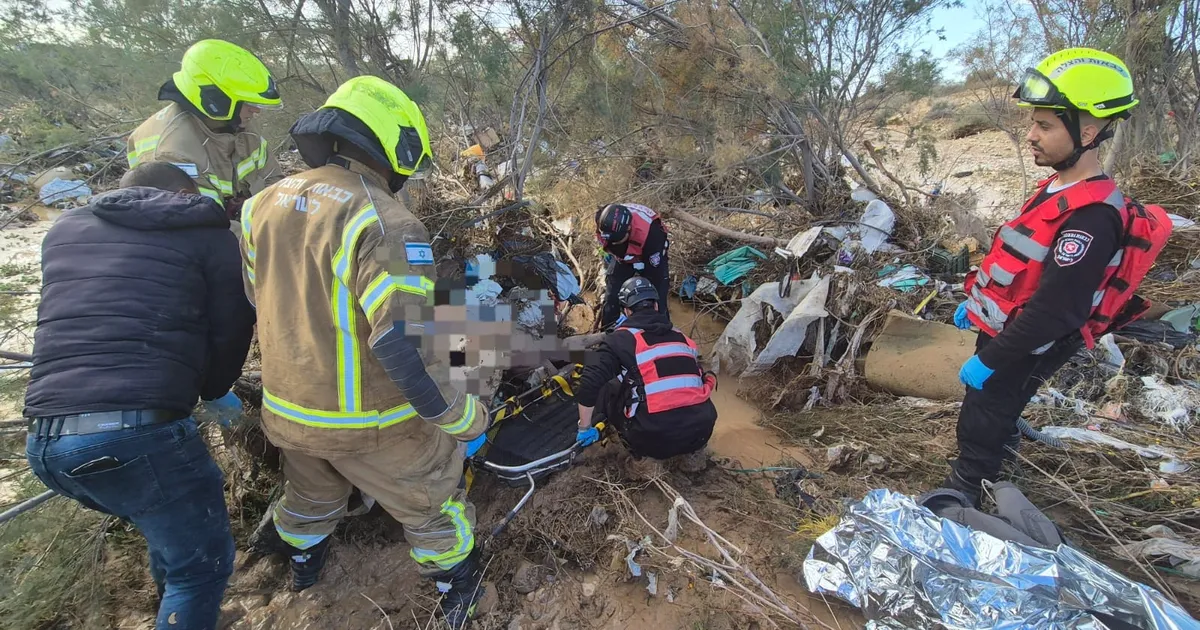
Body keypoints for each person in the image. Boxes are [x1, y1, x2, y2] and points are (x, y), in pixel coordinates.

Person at [239, 76, 490, 628]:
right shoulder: (385, 221)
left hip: (287, 412)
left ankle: (305, 565)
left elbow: (258, 297)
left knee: (309, 496)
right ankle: (457, 588)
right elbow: (404, 342)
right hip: (373, 425)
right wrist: (463, 417)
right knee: (432, 503)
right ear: (395, 147)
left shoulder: (262, 204)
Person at [24, 162, 256, 630]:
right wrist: (214, 390)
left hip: (45, 441)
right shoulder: (206, 236)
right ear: (182, 195)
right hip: (134, 432)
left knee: (166, 531)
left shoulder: (66, 230)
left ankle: (179, 612)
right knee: (198, 567)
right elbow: (232, 329)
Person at [945, 48, 1171, 506]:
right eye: (1033, 122)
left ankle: (967, 494)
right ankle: (996, 464)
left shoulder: (1092, 218)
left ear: (1087, 131)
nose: (1030, 135)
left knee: (984, 414)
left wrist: (993, 359)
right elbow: (1021, 263)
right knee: (994, 409)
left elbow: (1056, 310)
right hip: (1007, 327)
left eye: (1045, 126)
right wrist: (978, 305)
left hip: (1030, 338)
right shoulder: (1057, 186)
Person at [128, 39, 283, 220]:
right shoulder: (173, 150)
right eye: (249, 103)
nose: (256, 111)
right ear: (215, 99)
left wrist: (253, 209)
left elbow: (275, 183)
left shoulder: (239, 123)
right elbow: (199, 226)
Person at [575, 276, 718, 470]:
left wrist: (584, 428)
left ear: (626, 310)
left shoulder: (620, 340)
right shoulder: (683, 340)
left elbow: (590, 381)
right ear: (656, 307)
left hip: (653, 439)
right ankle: (692, 456)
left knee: (609, 386)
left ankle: (641, 459)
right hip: (701, 431)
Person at [595, 203, 671, 329]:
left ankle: (661, 331)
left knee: (658, 299)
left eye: (618, 240)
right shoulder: (603, 219)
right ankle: (607, 333)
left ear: (629, 230)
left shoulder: (652, 233)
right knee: (611, 296)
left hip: (649, 255)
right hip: (623, 258)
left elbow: (654, 271)